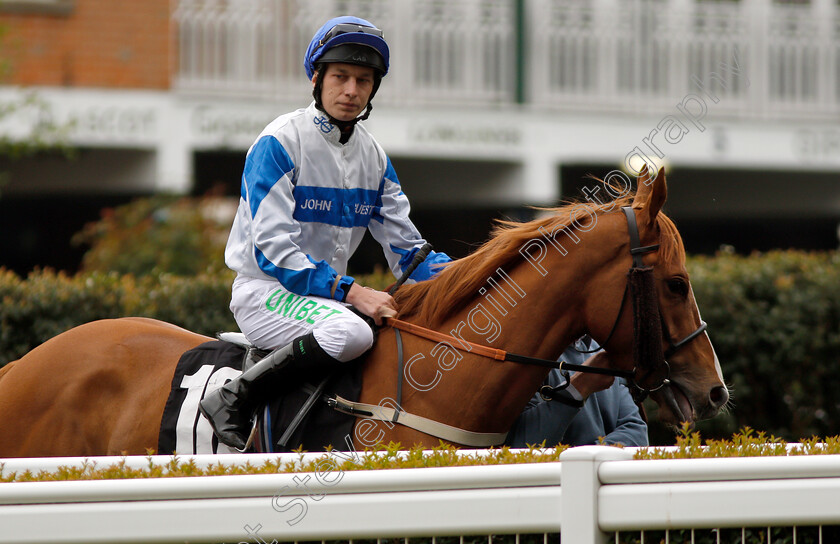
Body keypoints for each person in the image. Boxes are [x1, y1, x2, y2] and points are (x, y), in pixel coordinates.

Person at [200, 16, 450, 450]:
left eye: (363, 80)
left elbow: (410, 250)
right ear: (316, 79)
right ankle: (236, 396)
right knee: (352, 333)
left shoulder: (374, 157)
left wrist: (474, 281)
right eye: (341, 77)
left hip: (324, 299)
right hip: (266, 292)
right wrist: (354, 293)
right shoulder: (279, 142)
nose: (351, 91)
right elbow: (275, 251)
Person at [506, 337, 648, 448]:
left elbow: (637, 432)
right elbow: (523, 445)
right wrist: (577, 389)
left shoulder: (602, 352)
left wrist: (585, 459)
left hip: (600, 479)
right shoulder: (524, 353)